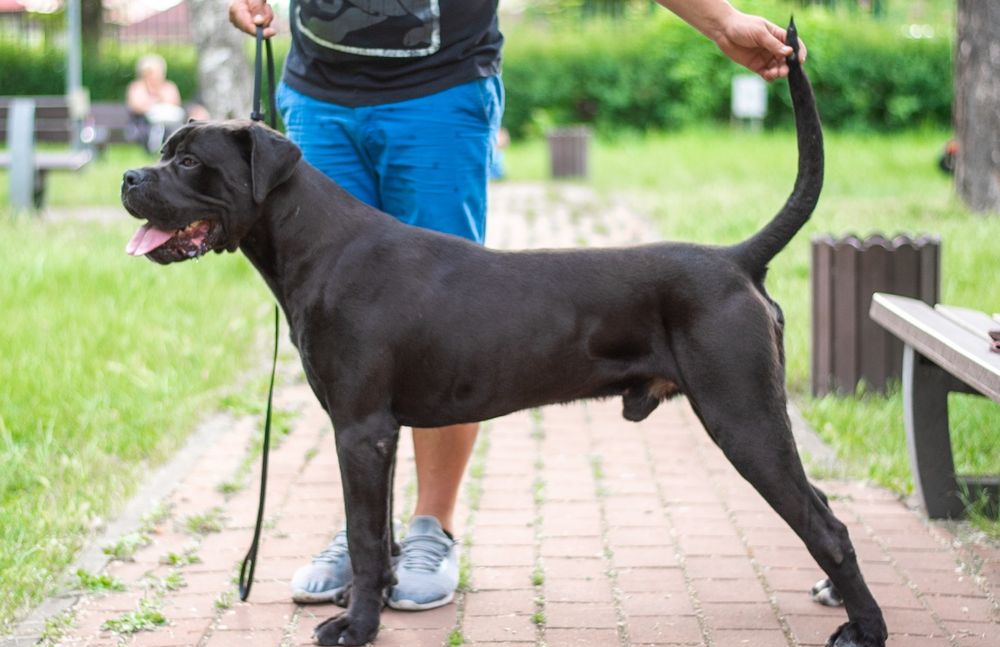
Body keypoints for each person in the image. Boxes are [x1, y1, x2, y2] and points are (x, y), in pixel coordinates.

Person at [228, 0, 806, 612]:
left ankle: (432, 527)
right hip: (318, 90)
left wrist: (718, 20)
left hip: (436, 89)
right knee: (351, 344)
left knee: (442, 325)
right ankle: (367, 538)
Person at [126, 54, 209, 154]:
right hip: (145, 125)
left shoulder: (168, 87)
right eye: (151, 73)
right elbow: (136, 106)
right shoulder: (137, 87)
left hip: (170, 123)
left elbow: (174, 104)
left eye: (157, 72)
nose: (155, 76)